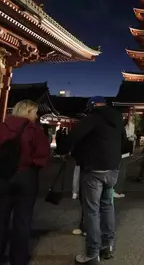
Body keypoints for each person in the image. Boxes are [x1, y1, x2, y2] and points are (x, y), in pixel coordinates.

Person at [56, 96, 126, 265]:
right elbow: (124, 142)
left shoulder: (92, 119)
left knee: (92, 210)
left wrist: (63, 149)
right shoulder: (117, 120)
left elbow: (73, 137)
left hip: (94, 169)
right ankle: (107, 245)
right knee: (107, 205)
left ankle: (92, 253)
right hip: (113, 169)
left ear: (91, 106)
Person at [0, 100, 50, 265]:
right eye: (34, 112)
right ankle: (18, 258)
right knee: (22, 220)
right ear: (27, 112)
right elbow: (43, 156)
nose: (36, 116)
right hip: (26, 177)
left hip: (2, 176)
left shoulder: (2, 128)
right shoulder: (34, 130)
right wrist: (32, 166)